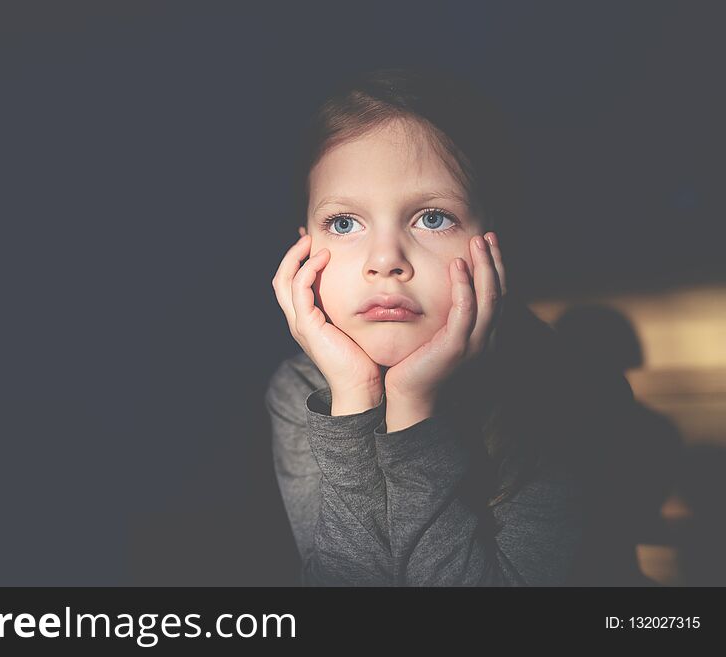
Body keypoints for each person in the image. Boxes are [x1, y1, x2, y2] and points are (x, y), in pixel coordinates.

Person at [265, 65, 652, 586]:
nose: (384, 260)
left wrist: (414, 411)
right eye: (343, 223)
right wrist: (354, 399)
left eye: (431, 217)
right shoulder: (302, 391)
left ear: (494, 243)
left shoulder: (570, 390)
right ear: (303, 250)